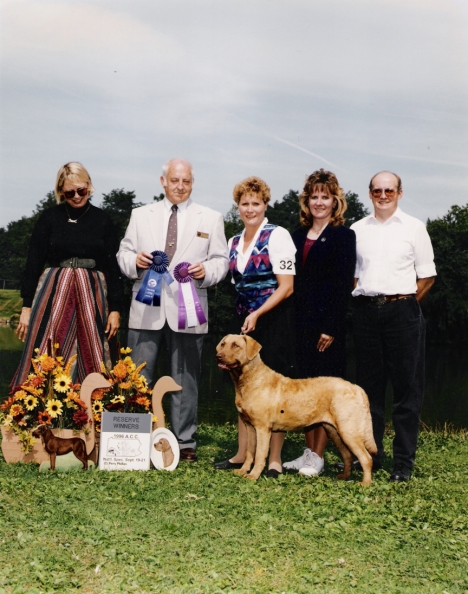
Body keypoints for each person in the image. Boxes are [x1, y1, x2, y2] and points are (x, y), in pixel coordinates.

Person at [117, 158, 228, 462]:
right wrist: (133, 262)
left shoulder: (211, 218)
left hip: (189, 310)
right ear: (163, 181)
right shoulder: (140, 215)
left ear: (193, 183)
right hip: (146, 307)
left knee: (186, 378)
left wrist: (206, 271)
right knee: (138, 376)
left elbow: (221, 261)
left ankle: (185, 440)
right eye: (175, 180)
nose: (180, 186)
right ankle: (135, 436)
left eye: (186, 181)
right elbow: (123, 252)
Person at [350, 171, 436, 482]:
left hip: (403, 314)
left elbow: (427, 276)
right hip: (366, 314)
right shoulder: (357, 229)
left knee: (406, 391)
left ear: (399, 193)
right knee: (368, 392)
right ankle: (370, 455)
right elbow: (354, 276)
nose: (383, 196)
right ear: (369, 193)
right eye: (377, 191)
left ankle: (403, 464)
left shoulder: (414, 227)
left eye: (389, 190)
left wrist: (404, 304)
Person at [214, 176, 296, 478]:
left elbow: (287, 287)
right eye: (245, 203)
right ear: (238, 206)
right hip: (243, 321)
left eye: (256, 203)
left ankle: (274, 459)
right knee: (243, 389)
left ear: (265, 205)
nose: (250, 209)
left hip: (273, 321)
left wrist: (259, 313)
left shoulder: (278, 236)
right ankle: (242, 454)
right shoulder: (233, 241)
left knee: (274, 393)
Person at [12, 162, 123, 385]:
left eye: (81, 190)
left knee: (93, 348)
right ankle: (39, 399)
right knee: (47, 348)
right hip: (54, 291)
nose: (77, 196)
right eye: (70, 192)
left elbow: (113, 267)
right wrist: (26, 306)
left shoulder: (103, 219)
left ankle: (93, 400)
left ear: (89, 186)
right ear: (61, 191)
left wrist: (116, 309)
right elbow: (33, 263)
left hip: (92, 292)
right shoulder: (49, 218)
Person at [283, 169, 356, 477]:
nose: (319, 202)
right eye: (314, 196)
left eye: (325, 197)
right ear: (306, 200)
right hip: (300, 323)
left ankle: (319, 456)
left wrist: (332, 327)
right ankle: (308, 453)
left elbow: (343, 285)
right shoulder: (296, 236)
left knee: (324, 394)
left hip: (327, 326)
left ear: (335, 201)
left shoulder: (344, 236)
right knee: (305, 390)